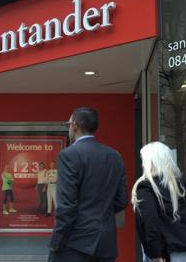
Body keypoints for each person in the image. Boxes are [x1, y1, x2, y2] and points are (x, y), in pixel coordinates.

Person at [48, 107, 128, 262]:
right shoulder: (115, 156)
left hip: (74, 243)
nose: (68, 128)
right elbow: (122, 200)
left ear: (75, 125)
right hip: (106, 244)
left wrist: (56, 242)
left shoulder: (68, 155)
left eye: (68, 124)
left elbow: (66, 206)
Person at [131, 142, 186, 262]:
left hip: (163, 252)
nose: (142, 165)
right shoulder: (180, 185)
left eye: (144, 160)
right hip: (185, 248)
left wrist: (156, 255)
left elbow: (151, 223)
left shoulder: (145, 187)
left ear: (151, 162)